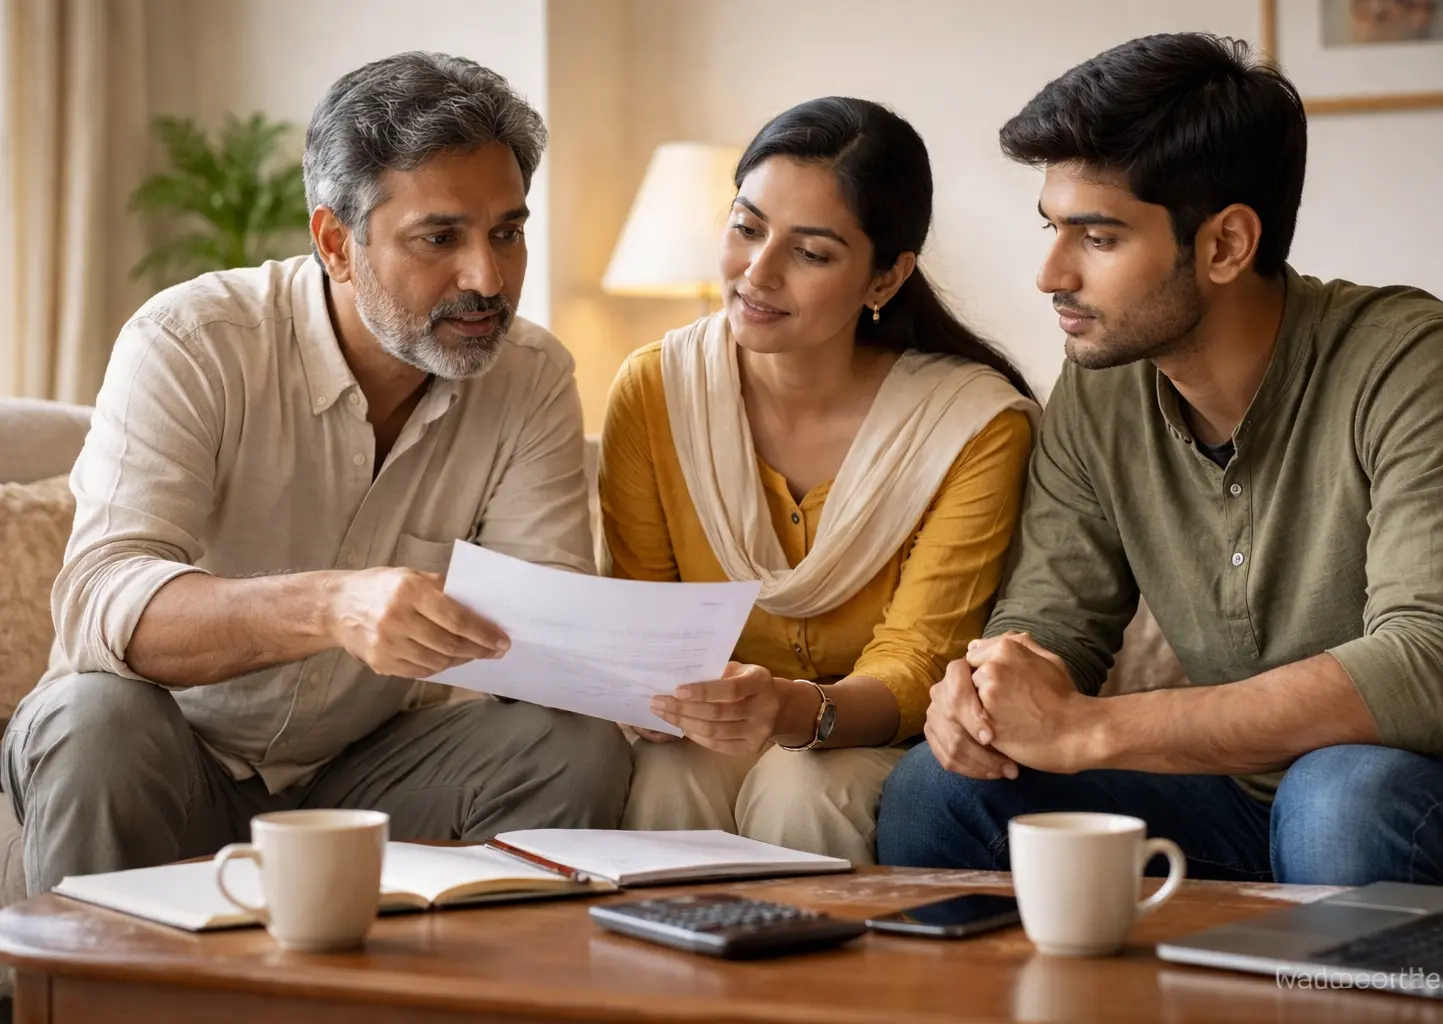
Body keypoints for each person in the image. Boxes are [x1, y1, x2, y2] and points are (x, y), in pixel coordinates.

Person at [877, 33, 1443, 889]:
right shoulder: (1098, 389)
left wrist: (1095, 730)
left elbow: (1438, 668)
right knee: (939, 790)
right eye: (1051, 227)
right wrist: (982, 690)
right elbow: (1052, 625)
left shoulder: (1417, 362)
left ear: (1226, 245)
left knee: (1341, 798)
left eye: (1098, 237)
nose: (1049, 273)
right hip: (1236, 804)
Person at [2, 52, 632, 895]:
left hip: (357, 776)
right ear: (337, 242)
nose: (488, 278)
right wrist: (334, 605)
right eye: (439, 238)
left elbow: (541, 635)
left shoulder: (532, 376)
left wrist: (632, 682)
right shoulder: (192, 341)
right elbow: (102, 602)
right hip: (162, 752)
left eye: (507, 233)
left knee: (574, 746)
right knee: (98, 715)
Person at [602, 97, 1037, 864]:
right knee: (672, 772)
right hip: (720, 728)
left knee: (805, 788)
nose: (757, 273)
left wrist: (794, 709)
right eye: (745, 227)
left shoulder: (971, 425)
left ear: (887, 276)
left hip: (874, 733)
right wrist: (655, 694)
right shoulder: (653, 392)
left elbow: (918, 659)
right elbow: (649, 620)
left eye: (812, 252)